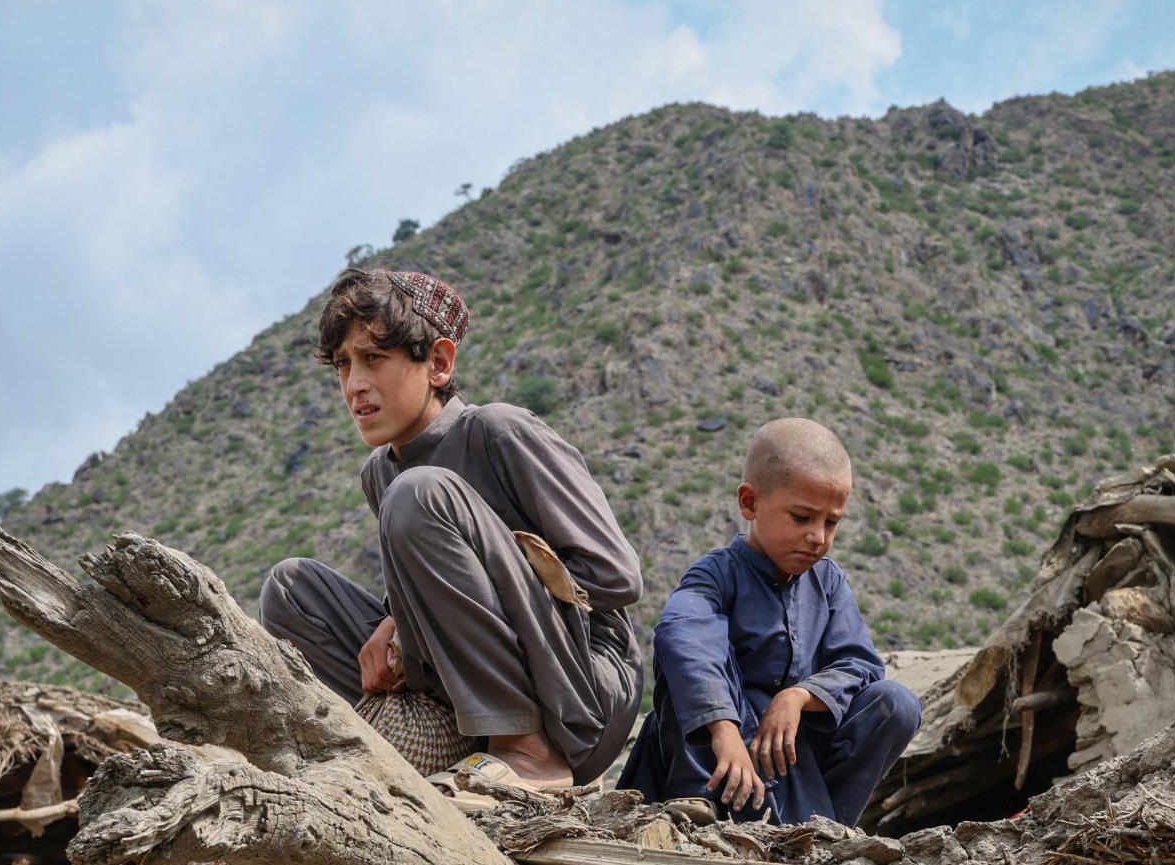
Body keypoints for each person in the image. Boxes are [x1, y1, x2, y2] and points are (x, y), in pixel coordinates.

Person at [260, 267, 643, 789]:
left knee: (419, 494)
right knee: (291, 589)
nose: (355, 385)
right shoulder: (380, 471)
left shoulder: (498, 432)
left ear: (438, 363)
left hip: (580, 692)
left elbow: (617, 576)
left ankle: (529, 754)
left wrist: (494, 576)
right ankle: (385, 758)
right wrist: (398, 625)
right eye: (343, 366)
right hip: (466, 694)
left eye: (374, 359)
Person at [618, 417, 922, 824]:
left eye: (831, 522)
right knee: (696, 653)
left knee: (896, 703)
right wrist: (723, 732)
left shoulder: (828, 582)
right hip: (719, 764)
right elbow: (681, 635)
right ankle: (699, 808)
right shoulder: (716, 575)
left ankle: (827, 827)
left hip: (794, 758)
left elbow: (860, 666)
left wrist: (798, 697)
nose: (818, 536)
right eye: (801, 517)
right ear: (749, 503)